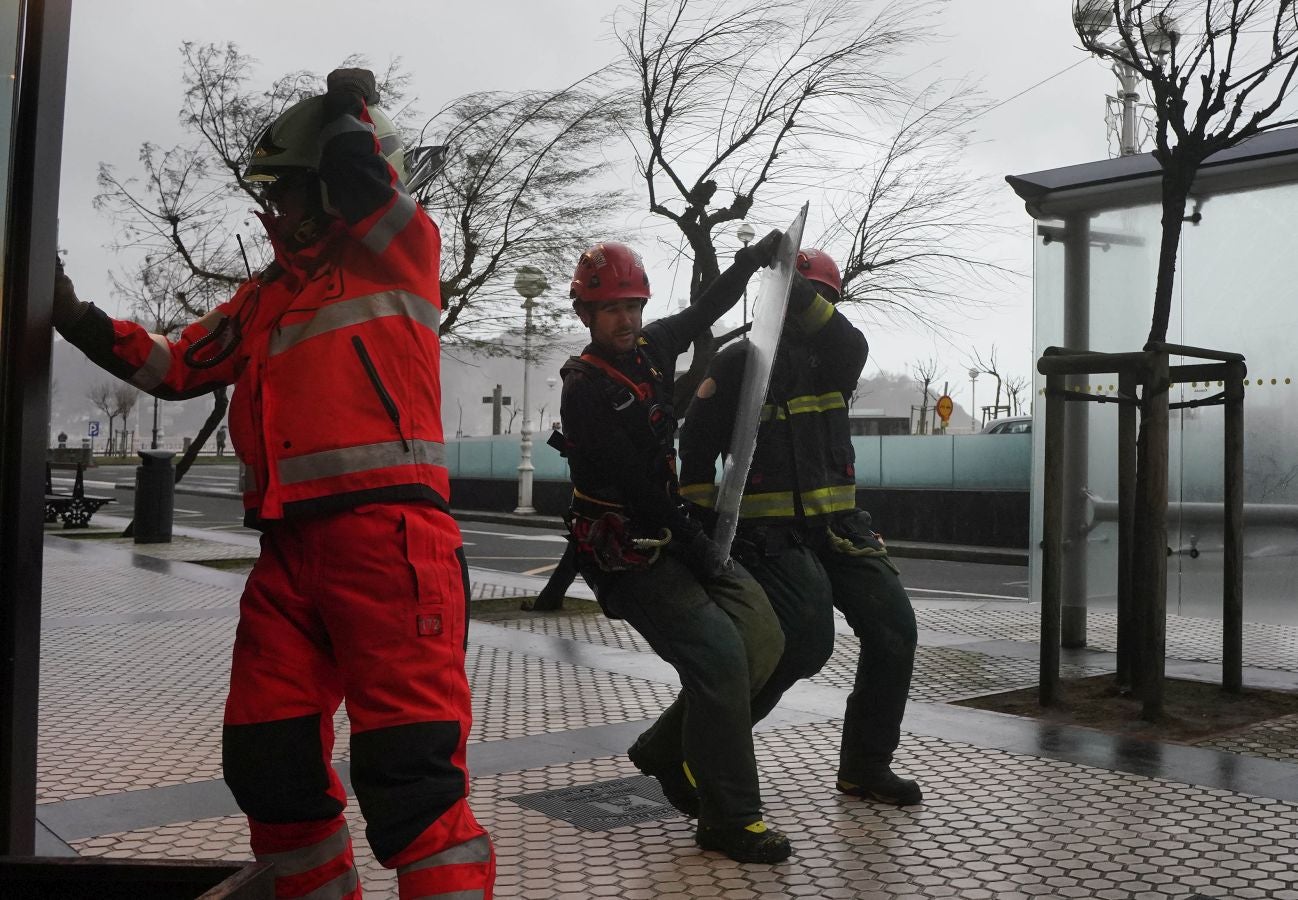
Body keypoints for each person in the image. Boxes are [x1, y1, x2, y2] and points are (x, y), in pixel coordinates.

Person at [51, 69, 494, 899]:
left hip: (391, 550)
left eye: (288, 192)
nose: (272, 211)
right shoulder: (262, 301)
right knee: (268, 761)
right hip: (290, 557)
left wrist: (350, 115)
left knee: (411, 787)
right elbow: (175, 364)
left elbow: (370, 182)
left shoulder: (398, 255)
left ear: (331, 187)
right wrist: (75, 317)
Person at [553, 237, 793, 863]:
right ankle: (730, 817)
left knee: (764, 642)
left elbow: (702, 311)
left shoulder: (653, 350)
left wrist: (749, 261)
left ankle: (664, 749)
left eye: (632, 305)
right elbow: (635, 484)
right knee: (719, 660)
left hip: (677, 534)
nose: (625, 320)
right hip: (627, 553)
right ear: (586, 314)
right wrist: (698, 543)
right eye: (610, 310)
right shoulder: (583, 390)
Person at [678, 248, 922, 807]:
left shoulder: (839, 357)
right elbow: (695, 453)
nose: (806, 314)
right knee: (797, 645)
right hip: (768, 537)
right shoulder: (740, 362)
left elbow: (848, 341)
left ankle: (865, 767)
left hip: (838, 530)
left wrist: (792, 280)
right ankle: (691, 749)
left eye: (817, 301)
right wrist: (703, 534)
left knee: (894, 631)